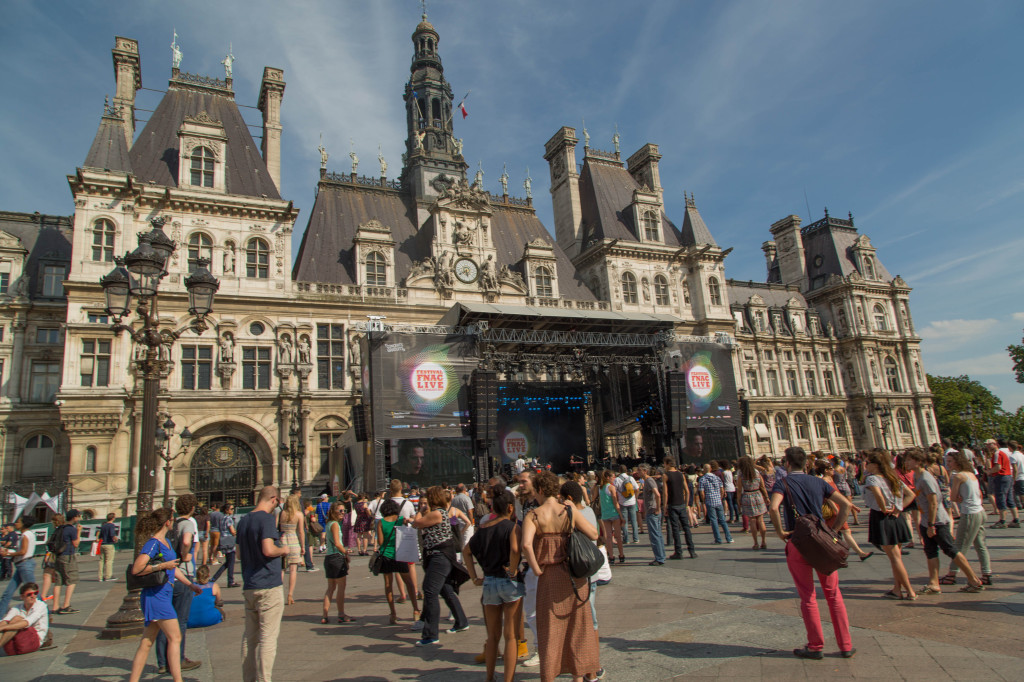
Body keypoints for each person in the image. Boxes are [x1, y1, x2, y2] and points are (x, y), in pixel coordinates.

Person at [768, 446, 855, 660]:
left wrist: (780, 531)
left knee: (808, 597)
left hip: (798, 542)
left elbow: (773, 508)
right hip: (822, 543)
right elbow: (846, 504)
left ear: (787, 463)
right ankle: (845, 645)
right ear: (806, 463)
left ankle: (815, 646)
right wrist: (833, 531)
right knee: (833, 594)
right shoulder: (819, 482)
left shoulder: (783, 483)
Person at [522, 469, 600, 682]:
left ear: (539, 489)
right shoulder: (569, 510)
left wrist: (537, 568)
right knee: (578, 628)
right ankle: (580, 675)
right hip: (574, 576)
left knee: (550, 630)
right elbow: (594, 534)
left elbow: (526, 545)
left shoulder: (534, 515)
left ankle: (549, 675)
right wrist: (573, 511)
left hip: (549, 576)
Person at [127, 508, 203, 682]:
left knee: (147, 642)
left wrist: (190, 584)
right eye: (172, 518)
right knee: (175, 637)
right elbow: (137, 569)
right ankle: (178, 679)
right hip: (156, 596)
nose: (174, 521)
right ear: (167, 522)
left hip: (163, 594)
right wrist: (161, 566)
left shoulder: (166, 541)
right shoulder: (153, 543)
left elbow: (174, 568)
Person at [463, 483, 524, 682]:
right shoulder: (512, 527)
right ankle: (508, 679)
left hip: (489, 582)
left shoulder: (482, 529)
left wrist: (474, 577)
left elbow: (466, 551)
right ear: (510, 508)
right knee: (510, 635)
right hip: (509, 582)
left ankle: (490, 677)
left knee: (493, 636)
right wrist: (513, 569)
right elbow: (515, 549)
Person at [904, 448, 985, 594]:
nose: (906, 463)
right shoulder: (917, 476)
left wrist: (931, 524)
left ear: (917, 461)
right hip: (926, 519)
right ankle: (934, 583)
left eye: (909, 459)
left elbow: (934, 502)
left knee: (950, 549)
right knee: (930, 551)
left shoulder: (925, 478)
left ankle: (974, 579)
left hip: (936, 521)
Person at [237, 486, 290, 682]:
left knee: (249, 639)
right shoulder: (266, 519)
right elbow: (268, 550)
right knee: (268, 638)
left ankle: (248, 678)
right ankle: (264, 679)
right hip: (268, 584)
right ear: (274, 499)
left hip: (249, 584)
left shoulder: (243, 521)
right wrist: (282, 550)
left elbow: (239, 554)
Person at [411, 485, 470, 646]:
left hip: (439, 557)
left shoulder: (437, 514)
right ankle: (461, 621)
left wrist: (420, 509)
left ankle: (431, 634)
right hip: (440, 556)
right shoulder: (439, 513)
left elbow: (417, 523)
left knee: (430, 591)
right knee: (446, 590)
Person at [156, 494, 201, 674]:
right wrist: (184, 555)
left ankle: (162, 662)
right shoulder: (188, 523)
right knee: (180, 621)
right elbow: (186, 541)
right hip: (183, 574)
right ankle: (179, 659)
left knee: (165, 621)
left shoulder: (171, 524)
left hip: (168, 576)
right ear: (191, 508)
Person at [863, 450, 915, 600]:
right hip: (896, 518)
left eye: (868, 463)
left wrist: (884, 508)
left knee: (895, 558)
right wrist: (899, 509)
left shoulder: (872, 479)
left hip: (883, 517)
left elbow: (878, 495)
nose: (865, 465)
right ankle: (897, 589)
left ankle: (910, 591)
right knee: (896, 557)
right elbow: (911, 495)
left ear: (874, 465)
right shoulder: (892, 477)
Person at [940, 450, 993, 587]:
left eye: (950, 461)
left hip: (969, 513)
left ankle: (952, 574)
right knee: (980, 544)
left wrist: (958, 498)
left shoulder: (958, 476)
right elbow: (980, 494)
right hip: (980, 511)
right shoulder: (971, 474)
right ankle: (986, 573)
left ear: (957, 461)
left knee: (959, 546)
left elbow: (952, 497)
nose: (948, 463)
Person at [376, 499, 420, 624]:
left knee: (388, 585)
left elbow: (380, 542)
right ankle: (416, 609)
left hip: (386, 556)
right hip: (400, 554)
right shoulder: (401, 519)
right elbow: (412, 524)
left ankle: (393, 613)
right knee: (409, 583)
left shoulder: (381, 522)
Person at [321, 501, 355, 623]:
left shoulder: (329, 523)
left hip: (328, 557)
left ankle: (325, 615)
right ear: (334, 511)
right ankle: (341, 614)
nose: (343, 513)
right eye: (340, 511)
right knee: (341, 587)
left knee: (330, 587)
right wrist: (346, 553)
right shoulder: (335, 524)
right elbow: (337, 543)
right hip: (336, 557)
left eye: (344, 511)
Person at [0, 516, 37, 617]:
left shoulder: (25, 535)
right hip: (23, 564)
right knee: (8, 593)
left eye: (18, 522)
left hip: (24, 564)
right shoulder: (28, 534)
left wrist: (8, 554)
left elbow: (23, 552)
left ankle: (42, 614)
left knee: (33, 592)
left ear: (24, 524)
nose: (16, 523)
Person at [0, 582, 48, 656]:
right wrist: (2, 626)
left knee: (17, 619)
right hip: (16, 643)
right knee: (8, 622)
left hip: (33, 640)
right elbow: (5, 620)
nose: (33, 596)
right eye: (29, 594)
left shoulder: (41, 606)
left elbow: (27, 622)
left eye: (35, 593)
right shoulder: (17, 607)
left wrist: (3, 627)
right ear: (22, 597)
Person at [663, 457, 697, 559]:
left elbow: (665, 493)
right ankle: (692, 551)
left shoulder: (666, 475)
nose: (664, 466)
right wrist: (686, 504)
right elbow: (687, 491)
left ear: (668, 464)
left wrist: (665, 506)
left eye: (664, 464)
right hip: (682, 504)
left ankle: (678, 551)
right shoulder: (681, 474)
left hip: (672, 504)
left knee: (675, 529)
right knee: (686, 528)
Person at [52, 509, 81, 615]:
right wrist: (79, 531)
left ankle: (55, 606)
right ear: (74, 517)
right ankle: (66, 605)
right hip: (68, 556)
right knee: (72, 580)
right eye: (78, 516)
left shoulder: (60, 528)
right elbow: (76, 544)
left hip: (58, 556)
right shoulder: (71, 529)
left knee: (58, 581)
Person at [736, 456, 769, 550]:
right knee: (761, 520)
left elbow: (739, 489)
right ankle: (764, 541)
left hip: (747, 496)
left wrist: (738, 500)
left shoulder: (741, 475)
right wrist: (766, 497)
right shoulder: (756, 472)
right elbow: (762, 486)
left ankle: (755, 543)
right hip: (758, 495)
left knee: (752, 521)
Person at [278, 495, 305, 605]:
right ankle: (290, 594)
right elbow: (301, 532)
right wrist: (303, 546)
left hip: (283, 540)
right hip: (293, 540)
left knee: (282, 569)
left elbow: (276, 527)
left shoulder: (281, 514)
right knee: (293, 570)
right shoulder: (299, 514)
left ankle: (279, 594)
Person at [698, 464, 733, 544]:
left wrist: (704, 501)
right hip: (718, 500)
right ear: (710, 469)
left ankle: (718, 539)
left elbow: (702, 492)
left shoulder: (702, 479)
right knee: (722, 520)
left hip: (709, 501)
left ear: (704, 470)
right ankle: (729, 538)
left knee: (713, 521)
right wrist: (720, 498)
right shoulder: (717, 478)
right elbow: (722, 489)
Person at [987, 440, 1018, 528]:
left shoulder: (997, 453)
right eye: (987, 445)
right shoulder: (1003, 453)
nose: (988, 446)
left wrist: (989, 471)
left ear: (996, 444)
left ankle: (1002, 521)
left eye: (990, 444)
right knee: (1009, 499)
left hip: (1001, 476)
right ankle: (1016, 519)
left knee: (1001, 498)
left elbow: (998, 467)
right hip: (1008, 476)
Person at [597, 470, 625, 564]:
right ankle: (621, 555)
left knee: (608, 537)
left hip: (605, 514)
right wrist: (621, 515)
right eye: (613, 476)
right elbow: (615, 502)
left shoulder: (600, 488)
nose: (614, 478)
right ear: (608, 477)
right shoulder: (611, 487)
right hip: (613, 513)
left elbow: (601, 502)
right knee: (618, 536)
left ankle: (611, 557)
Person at [640, 464, 666, 565]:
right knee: (658, 534)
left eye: (640, 470)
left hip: (652, 511)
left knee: (654, 535)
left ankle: (659, 558)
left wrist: (658, 508)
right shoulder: (648, 481)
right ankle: (661, 556)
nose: (638, 472)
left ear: (645, 471)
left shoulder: (649, 481)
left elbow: (657, 494)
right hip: (652, 510)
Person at [187, 565, 225, 629]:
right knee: (220, 610)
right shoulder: (214, 586)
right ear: (208, 575)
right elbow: (217, 601)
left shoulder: (191, 586)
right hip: (209, 619)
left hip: (190, 621)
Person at [211, 503, 239, 587]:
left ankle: (214, 578)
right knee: (231, 562)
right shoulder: (229, 519)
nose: (232, 510)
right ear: (227, 510)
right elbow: (232, 531)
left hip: (224, 541)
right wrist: (236, 533)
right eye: (231, 509)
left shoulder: (222, 518)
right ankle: (230, 581)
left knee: (228, 562)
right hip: (230, 541)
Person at [613, 465, 640, 545]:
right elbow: (637, 488)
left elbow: (614, 491)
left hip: (622, 502)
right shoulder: (631, 478)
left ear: (619, 470)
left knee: (624, 521)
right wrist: (635, 497)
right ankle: (636, 538)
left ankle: (626, 539)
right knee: (633, 520)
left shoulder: (617, 479)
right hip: (632, 501)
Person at [97, 513, 119, 581]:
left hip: (102, 544)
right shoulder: (111, 525)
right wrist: (115, 539)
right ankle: (108, 576)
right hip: (109, 544)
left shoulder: (103, 525)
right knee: (109, 561)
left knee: (101, 561)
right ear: (113, 518)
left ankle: (100, 577)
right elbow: (112, 534)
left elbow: (100, 535)